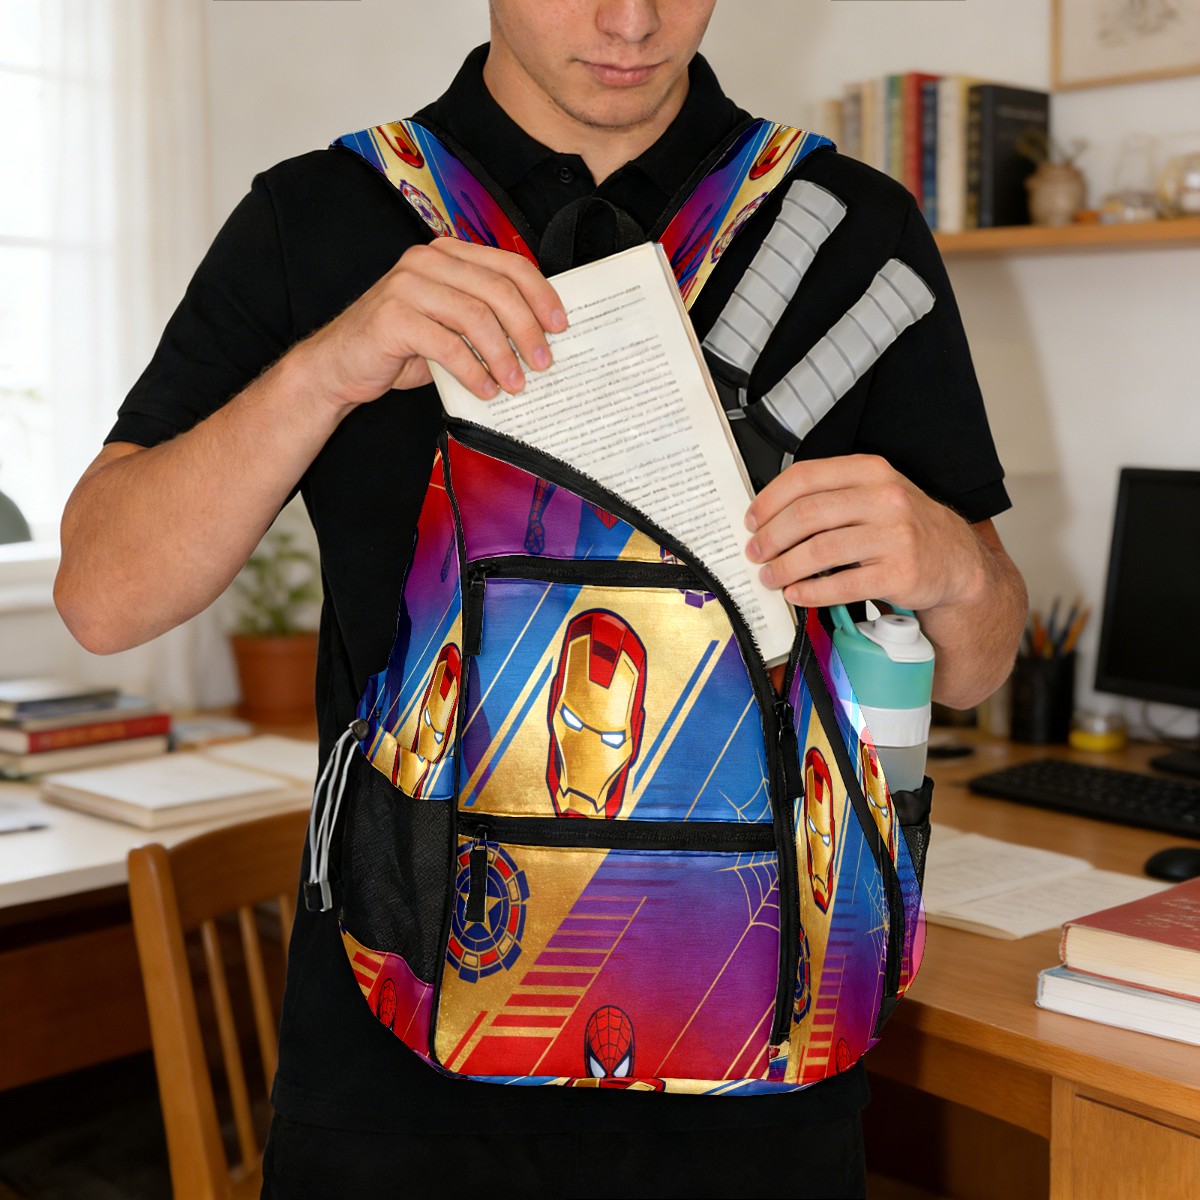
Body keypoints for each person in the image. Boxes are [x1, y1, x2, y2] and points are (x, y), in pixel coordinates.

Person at [55, 2, 1027, 1195]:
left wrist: (956, 566)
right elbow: (103, 598)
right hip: (397, 1096)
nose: (631, 19)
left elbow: (980, 661)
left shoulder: (849, 230)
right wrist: (325, 370)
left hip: (766, 1083)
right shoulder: (321, 218)